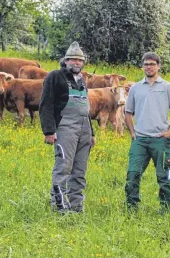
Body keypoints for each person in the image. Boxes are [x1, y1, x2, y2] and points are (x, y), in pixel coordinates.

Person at [39, 41, 95, 214]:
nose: (76, 63)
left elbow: (85, 107)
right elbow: (46, 104)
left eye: (79, 60)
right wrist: (49, 131)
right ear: (65, 61)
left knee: (80, 169)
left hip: (84, 126)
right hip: (65, 126)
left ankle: (77, 206)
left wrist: (91, 133)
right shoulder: (55, 76)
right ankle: (59, 206)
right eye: (72, 60)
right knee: (63, 167)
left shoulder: (82, 80)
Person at [124, 52, 170, 213]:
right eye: (146, 64)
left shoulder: (167, 87)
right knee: (132, 174)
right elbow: (128, 112)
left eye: (152, 64)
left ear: (158, 66)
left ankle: (166, 209)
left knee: (164, 176)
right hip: (140, 140)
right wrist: (133, 133)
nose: (149, 67)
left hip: (160, 140)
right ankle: (132, 208)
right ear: (142, 66)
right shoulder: (135, 88)